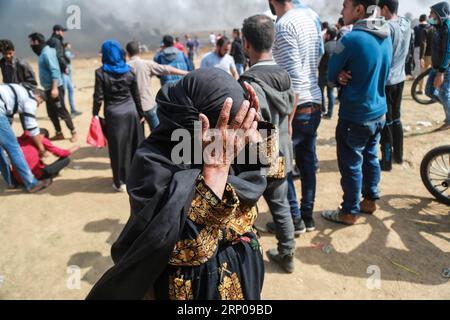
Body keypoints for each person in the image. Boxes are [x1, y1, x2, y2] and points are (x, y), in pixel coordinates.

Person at [87, 68, 266, 300]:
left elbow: (261, 178)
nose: (238, 136)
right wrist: (215, 170)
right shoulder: (153, 165)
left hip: (242, 270)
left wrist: (258, 129)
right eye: (233, 128)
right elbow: (190, 248)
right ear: (204, 128)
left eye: (240, 127)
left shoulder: (232, 146)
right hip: (198, 287)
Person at [322, 0, 392, 225]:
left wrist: (339, 75)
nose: (342, 11)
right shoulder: (386, 34)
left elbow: (331, 74)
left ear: (359, 9)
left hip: (356, 114)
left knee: (351, 163)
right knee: (370, 156)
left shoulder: (350, 39)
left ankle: (349, 211)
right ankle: (370, 200)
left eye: (345, 6)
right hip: (379, 111)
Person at [240, 14, 296, 273]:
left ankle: (243, 259)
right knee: (280, 205)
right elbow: (293, 102)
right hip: (282, 150)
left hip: (258, 157)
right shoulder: (284, 74)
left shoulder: (248, 82)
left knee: (243, 209)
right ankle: (287, 253)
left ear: (246, 44)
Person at [271, 0, 323, 234]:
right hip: (314, 101)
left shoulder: (283, 25)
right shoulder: (311, 16)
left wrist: (289, 120)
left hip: (296, 107)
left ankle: (294, 220)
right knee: (307, 163)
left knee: (280, 165)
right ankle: (307, 216)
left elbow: (294, 78)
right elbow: (319, 55)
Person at [93, 40, 145, 192]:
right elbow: (136, 94)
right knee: (134, 146)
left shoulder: (100, 73)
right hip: (131, 112)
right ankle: (137, 178)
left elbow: (98, 97)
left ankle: (120, 182)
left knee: (117, 149)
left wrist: (95, 115)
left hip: (114, 115)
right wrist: (141, 114)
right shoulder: (129, 71)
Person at [378, 0, 411, 171]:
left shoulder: (387, 28)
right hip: (400, 78)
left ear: (385, 8)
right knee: (397, 119)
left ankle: (387, 161)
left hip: (388, 81)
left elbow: (383, 56)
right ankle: (399, 155)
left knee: (387, 122)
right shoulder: (406, 23)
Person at [126, 41, 188, 131]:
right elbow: (167, 69)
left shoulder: (124, 67)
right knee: (158, 133)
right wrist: (186, 73)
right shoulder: (146, 64)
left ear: (127, 53)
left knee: (139, 137)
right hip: (149, 105)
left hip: (134, 108)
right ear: (139, 51)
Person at [0, 84, 52, 193]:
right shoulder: (31, 99)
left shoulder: (21, 91)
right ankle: (31, 184)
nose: (38, 106)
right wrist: (41, 148)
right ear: (38, 97)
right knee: (14, 148)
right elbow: (32, 127)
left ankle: (11, 182)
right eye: (40, 103)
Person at [29, 33, 77, 142]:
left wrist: (55, 88)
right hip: (48, 88)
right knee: (51, 113)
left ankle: (73, 132)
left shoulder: (46, 53)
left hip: (54, 88)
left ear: (36, 42)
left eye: (31, 42)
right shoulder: (45, 52)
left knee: (61, 111)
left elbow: (54, 70)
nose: (30, 45)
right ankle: (59, 133)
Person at [12, 128, 79, 184]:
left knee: (39, 163)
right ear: (43, 135)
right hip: (33, 176)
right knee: (66, 159)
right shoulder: (41, 138)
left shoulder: (19, 139)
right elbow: (62, 153)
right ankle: (52, 174)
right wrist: (71, 150)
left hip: (17, 177)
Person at [425, 2, 450, 131]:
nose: (430, 16)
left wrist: (440, 73)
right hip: (436, 67)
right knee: (429, 91)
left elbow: (447, 52)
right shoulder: (438, 27)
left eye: (432, 13)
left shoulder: (447, 28)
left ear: (440, 14)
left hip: (445, 68)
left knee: (444, 93)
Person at [319, 27, 338, 119]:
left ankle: (323, 110)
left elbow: (319, 60)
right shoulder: (339, 45)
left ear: (329, 35)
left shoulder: (324, 46)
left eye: (326, 34)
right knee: (331, 93)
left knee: (321, 92)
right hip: (333, 74)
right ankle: (330, 113)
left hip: (323, 73)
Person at [63, 43, 82, 117]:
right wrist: (74, 55)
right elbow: (69, 57)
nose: (70, 46)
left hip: (68, 74)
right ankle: (64, 112)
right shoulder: (65, 52)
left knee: (70, 90)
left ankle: (73, 110)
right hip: (64, 74)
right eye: (69, 45)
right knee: (64, 93)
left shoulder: (66, 52)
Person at [413, 15, 430, 93]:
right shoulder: (431, 27)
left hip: (417, 48)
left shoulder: (416, 28)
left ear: (420, 19)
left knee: (420, 68)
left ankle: (420, 88)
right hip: (428, 51)